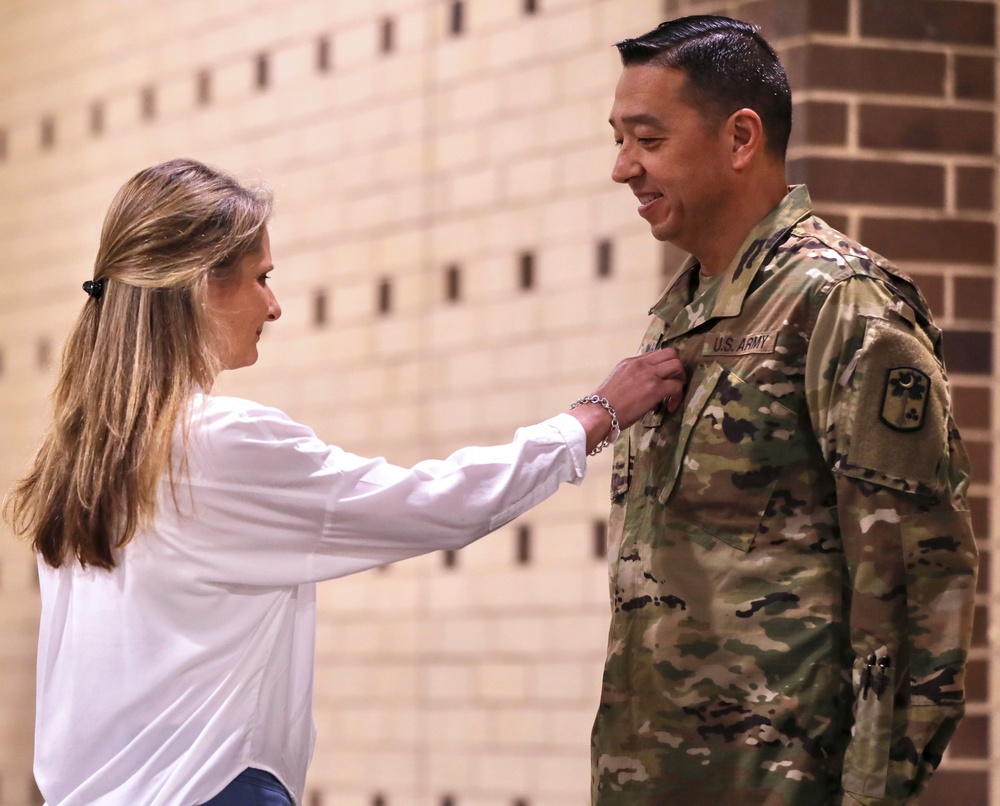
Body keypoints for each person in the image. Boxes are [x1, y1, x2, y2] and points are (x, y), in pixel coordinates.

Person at [4, 158, 686, 806]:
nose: (273, 307)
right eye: (260, 278)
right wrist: (589, 420)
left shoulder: (80, 454)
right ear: (200, 285)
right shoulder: (216, 441)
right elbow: (433, 504)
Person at [592, 15, 978, 806]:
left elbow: (911, 589)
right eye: (619, 140)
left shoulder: (843, 306)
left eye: (648, 141)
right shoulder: (684, 313)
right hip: (658, 774)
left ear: (740, 139)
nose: (622, 168)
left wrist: (873, 793)